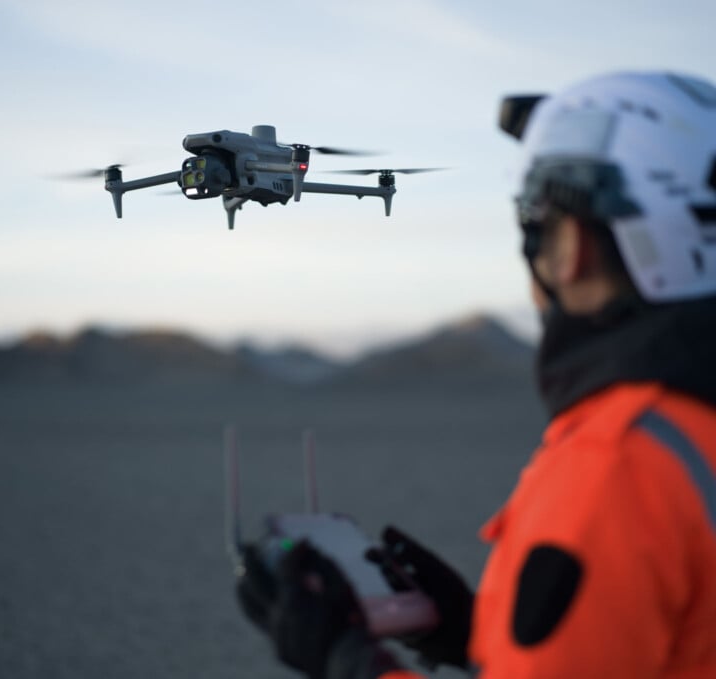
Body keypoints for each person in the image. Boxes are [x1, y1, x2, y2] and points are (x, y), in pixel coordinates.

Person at [235, 71, 716, 678]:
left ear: (572, 249)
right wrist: (471, 632)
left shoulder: (619, 464)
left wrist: (348, 660)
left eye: (534, 224)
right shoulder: (692, 430)